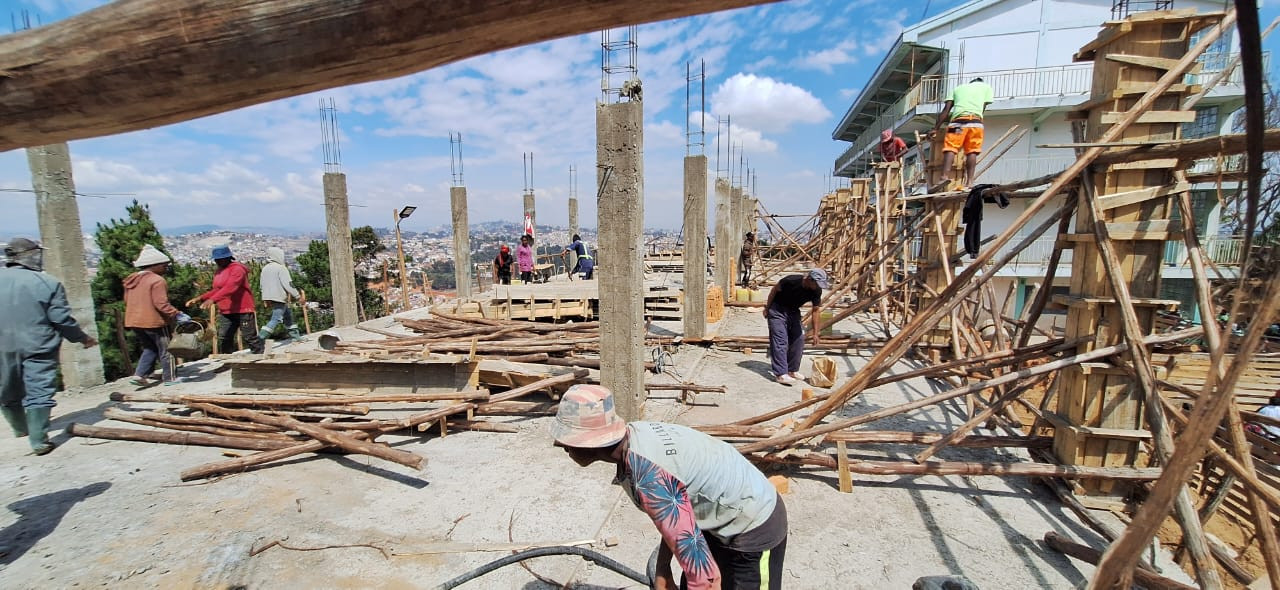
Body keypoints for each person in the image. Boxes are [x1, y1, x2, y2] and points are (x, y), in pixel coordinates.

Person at [551, 385, 788, 590]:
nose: (560, 445)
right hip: (718, 519)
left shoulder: (651, 478)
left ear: (591, 441)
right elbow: (677, 515)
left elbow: (705, 578)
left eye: (567, 439)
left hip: (755, 525)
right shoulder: (637, 437)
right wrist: (663, 568)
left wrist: (683, 573)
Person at [0, 237, 99, 455]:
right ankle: (39, 441)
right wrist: (83, 338)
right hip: (38, 346)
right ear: (32, 255)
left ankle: (20, 429)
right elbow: (62, 320)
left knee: (6, 388)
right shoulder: (47, 283)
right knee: (40, 390)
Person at [123, 244, 189, 387]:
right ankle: (170, 377)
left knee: (150, 348)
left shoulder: (132, 280)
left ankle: (140, 374)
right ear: (155, 265)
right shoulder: (157, 280)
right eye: (164, 265)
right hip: (153, 321)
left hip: (134, 320)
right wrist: (177, 314)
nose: (166, 268)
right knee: (167, 348)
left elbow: (127, 301)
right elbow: (161, 304)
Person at [187, 245, 263, 354]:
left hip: (242, 309)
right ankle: (227, 361)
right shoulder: (219, 271)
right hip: (226, 310)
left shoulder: (237, 269)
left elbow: (231, 287)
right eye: (216, 259)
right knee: (225, 337)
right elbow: (217, 289)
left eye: (219, 259)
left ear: (227, 258)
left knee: (249, 336)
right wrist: (200, 298)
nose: (217, 261)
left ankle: (259, 356)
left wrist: (212, 300)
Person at [763, 268, 829, 386]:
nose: (818, 287)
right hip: (777, 309)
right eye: (817, 284)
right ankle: (780, 374)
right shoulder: (790, 281)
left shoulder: (816, 291)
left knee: (798, 340)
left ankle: (791, 370)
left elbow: (815, 311)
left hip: (793, 311)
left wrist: (815, 333)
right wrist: (767, 308)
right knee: (780, 340)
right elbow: (773, 290)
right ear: (809, 279)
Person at [935, 77, 993, 188]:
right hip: (976, 124)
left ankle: (944, 177)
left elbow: (946, 111)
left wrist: (935, 128)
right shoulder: (986, 87)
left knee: (951, 148)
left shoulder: (958, 88)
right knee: (972, 151)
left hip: (958, 124)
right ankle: (970, 182)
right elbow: (982, 109)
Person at [258, 246, 303, 342]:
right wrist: (297, 296)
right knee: (275, 319)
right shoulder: (281, 268)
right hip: (279, 296)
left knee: (288, 315)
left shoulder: (265, 268)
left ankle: (296, 337)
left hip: (269, 296)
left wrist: (265, 298)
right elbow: (288, 284)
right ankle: (260, 339)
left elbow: (262, 285)